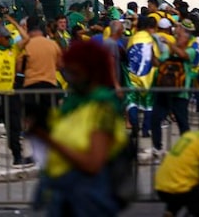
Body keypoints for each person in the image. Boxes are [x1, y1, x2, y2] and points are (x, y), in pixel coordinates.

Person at [31, 41, 128, 216]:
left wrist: (48, 140)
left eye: (75, 72)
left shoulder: (103, 106)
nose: (71, 77)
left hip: (88, 197)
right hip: (63, 195)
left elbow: (92, 164)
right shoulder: (74, 104)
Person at [0, 15, 31, 167]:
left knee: (14, 126)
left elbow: (26, 38)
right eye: (6, 37)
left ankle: (17, 156)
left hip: (9, 94)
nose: (9, 39)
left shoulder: (13, 50)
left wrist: (15, 23)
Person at [151, 23, 196, 159]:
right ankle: (157, 147)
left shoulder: (191, 51)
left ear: (187, 39)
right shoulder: (169, 51)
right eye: (177, 36)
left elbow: (183, 55)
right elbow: (159, 63)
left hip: (180, 93)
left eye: (180, 37)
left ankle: (187, 149)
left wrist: (170, 44)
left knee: (183, 122)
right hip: (164, 91)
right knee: (156, 119)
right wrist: (152, 55)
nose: (177, 38)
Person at [20, 15, 63, 123]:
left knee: (32, 119)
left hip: (31, 85)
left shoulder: (25, 45)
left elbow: (19, 68)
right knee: (48, 119)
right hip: (50, 85)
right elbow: (60, 64)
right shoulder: (53, 44)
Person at [125, 16, 160, 138]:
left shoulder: (132, 39)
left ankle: (134, 124)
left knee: (132, 102)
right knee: (148, 105)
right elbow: (156, 60)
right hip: (148, 77)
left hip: (132, 76)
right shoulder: (152, 40)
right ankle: (146, 130)